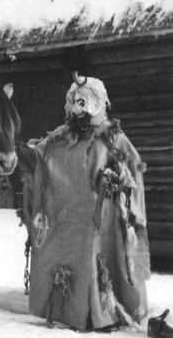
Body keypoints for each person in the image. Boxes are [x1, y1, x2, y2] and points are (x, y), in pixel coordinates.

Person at [16, 71, 150, 331]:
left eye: (84, 102)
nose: (78, 108)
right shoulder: (60, 135)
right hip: (64, 216)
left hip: (101, 217)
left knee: (97, 262)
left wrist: (117, 179)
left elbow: (132, 171)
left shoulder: (113, 137)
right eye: (74, 102)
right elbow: (39, 156)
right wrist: (18, 154)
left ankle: (101, 314)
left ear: (98, 103)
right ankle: (67, 312)